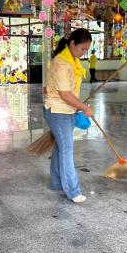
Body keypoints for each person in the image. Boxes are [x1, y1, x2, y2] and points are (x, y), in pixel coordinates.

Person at [44, 28, 93, 203]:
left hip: (67, 110)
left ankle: (57, 183)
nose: (84, 52)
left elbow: (70, 92)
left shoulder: (72, 59)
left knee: (60, 148)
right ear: (72, 43)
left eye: (86, 50)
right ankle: (73, 191)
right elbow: (64, 94)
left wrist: (78, 106)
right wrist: (84, 107)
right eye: (82, 49)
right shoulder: (61, 63)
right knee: (66, 150)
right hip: (58, 112)